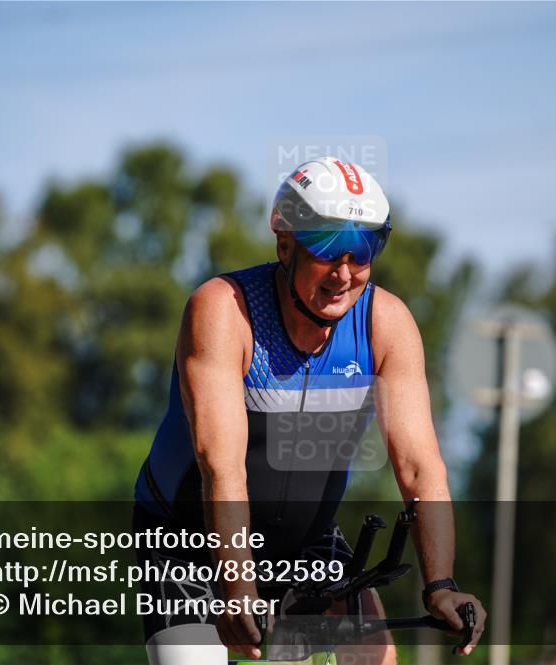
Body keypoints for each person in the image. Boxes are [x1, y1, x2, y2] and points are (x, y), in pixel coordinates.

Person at [133, 157, 486, 664]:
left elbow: (420, 470)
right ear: (285, 246)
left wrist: (442, 584)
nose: (343, 275)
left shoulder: (386, 324)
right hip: (190, 537)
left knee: (376, 659)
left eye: (361, 253)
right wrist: (236, 587)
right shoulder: (223, 310)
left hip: (307, 542)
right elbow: (222, 465)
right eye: (325, 252)